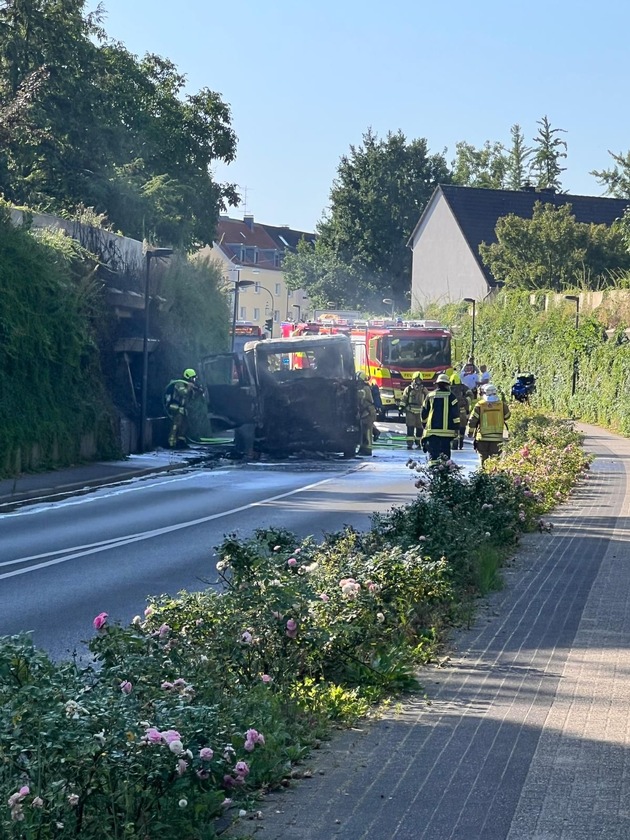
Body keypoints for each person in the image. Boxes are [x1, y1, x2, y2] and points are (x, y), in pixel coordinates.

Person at [466, 383, 511, 465]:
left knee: (483, 460)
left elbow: (472, 420)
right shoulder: (501, 405)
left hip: (482, 439)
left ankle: (484, 476)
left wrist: (470, 433)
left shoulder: (480, 405)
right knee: (495, 462)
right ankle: (494, 476)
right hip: (497, 439)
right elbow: (507, 416)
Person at [420, 373, 460, 463]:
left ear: (437, 384)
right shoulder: (452, 397)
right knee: (445, 457)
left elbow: (423, 413)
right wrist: (456, 428)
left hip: (432, 433)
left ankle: (434, 473)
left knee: (433, 457)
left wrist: (424, 425)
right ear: (447, 385)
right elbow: (456, 415)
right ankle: (443, 475)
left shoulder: (430, 396)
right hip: (447, 434)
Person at [164, 368, 204, 449]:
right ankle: (171, 442)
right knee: (176, 424)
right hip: (175, 406)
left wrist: (198, 392)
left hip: (182, 408)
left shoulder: (189, 385)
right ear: (187, 377)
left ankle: (180, 441)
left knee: (185, 425)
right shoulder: (180, 383)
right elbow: (183, 393)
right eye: (192, 378)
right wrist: (189, 388)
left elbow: (192, 398)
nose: (193, 380)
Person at [400, 371, 426, 450]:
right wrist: (401, 407)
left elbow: (428, 398)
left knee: (420, 428)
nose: (417, 382)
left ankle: (418, 443)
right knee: (410, 428)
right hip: (410, 411)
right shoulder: (408, 389)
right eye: (416, 380)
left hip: (420, 411)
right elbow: (404, 398)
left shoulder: (423, 389)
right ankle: (409, 444)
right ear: (413, 380)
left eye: (419, 380)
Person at [449, 372, 473, 450]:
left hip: (458, 412)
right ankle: (456, 444)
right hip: (456, 411)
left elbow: (470, 395)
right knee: (458, 428)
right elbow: (470, 395)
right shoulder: (462, 387)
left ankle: (458, 444)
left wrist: (465, 400)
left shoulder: (458, 388)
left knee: (459, 428)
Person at [356, 371, 377, 456]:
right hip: (366, 412)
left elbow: (360, 395)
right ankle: (362, 448)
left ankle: (367, 450)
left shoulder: (365, 388)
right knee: (363, 431)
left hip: (368, 412)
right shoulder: (364, 387)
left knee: (367, 431)